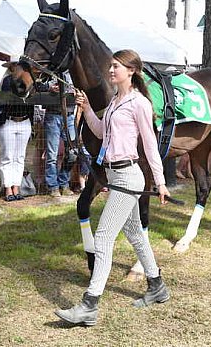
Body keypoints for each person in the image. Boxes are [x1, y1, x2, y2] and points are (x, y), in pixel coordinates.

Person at [54, 49, 170, 326]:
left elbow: (150, 145)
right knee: (134, 234)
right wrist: (85, 109)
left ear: (131, 71)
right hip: (114, 176)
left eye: (116, 66)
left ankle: (89, 305)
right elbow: (100, 131)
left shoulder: (139, 103)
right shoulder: (117, 101)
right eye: (111, 66)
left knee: (103, 238)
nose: (110, 70)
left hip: (129, 177)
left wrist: (161, 181)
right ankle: (157, 286)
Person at [0, 65, 34, 201]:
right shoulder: (7, 80)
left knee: (20, 157)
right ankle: (7, 187)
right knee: (7, 156)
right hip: (9, 121)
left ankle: (17, 187)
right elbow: (14, 92)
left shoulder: (30, 80)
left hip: (24, 121)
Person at [43, 73, 76, 197]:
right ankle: (53, 186)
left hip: (70, 116)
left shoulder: (74, 72)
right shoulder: (49, 71)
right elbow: (38, 85)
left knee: (73, 152)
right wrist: (49, 88)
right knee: (52, 154)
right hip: (53, 115)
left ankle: (64, 182)